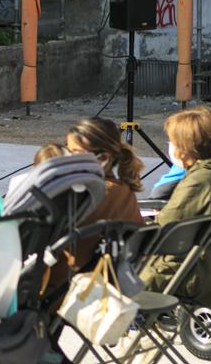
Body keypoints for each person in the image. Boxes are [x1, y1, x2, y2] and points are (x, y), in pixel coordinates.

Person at [139, 107, 211, 311]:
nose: (170, 147)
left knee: (102, 269)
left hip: (186, 274)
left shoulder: (201, 181)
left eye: (172, 141)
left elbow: (165, 230)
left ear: (186, 146)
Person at [54, 118, 145, 286]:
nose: (66, 157)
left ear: (102, 158)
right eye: (67, 150)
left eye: (74, 152)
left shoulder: (89, 195)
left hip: (68, 286)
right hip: (102, 284)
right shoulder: (124, 189)